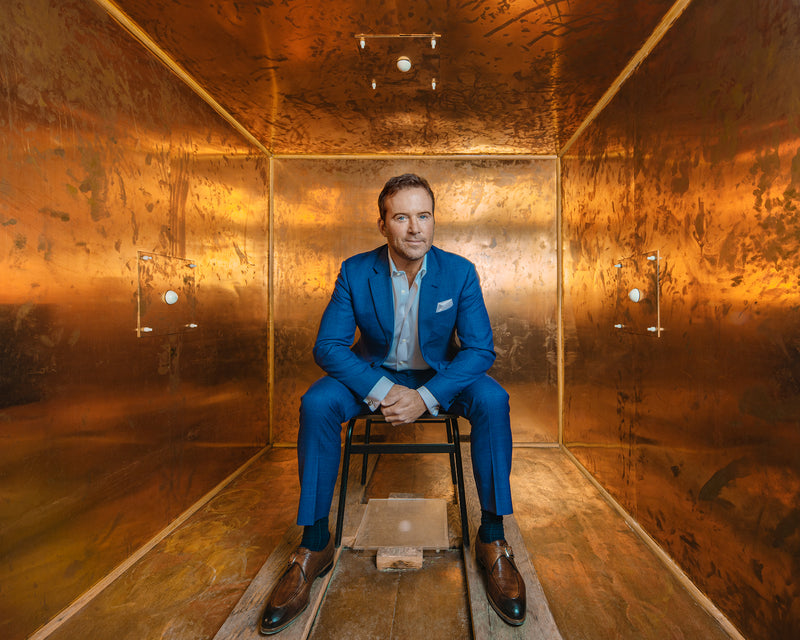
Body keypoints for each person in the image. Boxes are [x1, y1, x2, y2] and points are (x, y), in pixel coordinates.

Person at [260, 173, 526, 634]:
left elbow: (481, 350)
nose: (415, 228)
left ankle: (493, 539)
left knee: (493, 398)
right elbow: (328, 347)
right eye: (401, 217)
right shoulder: (355, 270)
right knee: (317, 403)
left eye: (424, 216)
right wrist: (384, 391)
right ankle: (315, 543)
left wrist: (425, 398)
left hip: (439, 377)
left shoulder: (459, 271)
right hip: (374, 375)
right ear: (382, 224)